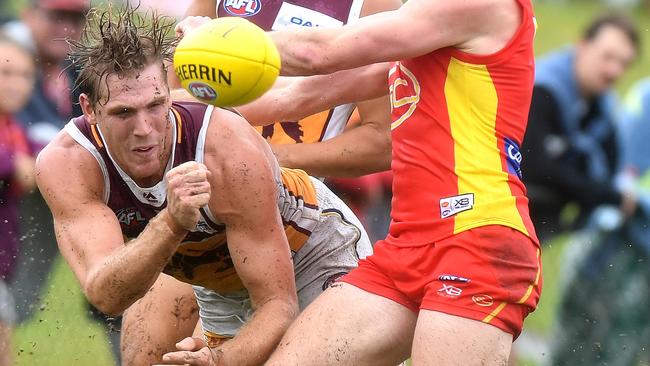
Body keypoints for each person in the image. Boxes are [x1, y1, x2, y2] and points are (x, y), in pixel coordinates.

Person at [174, 0, 542, 364]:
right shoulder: (425, 33)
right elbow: (293, 96)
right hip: (407, 245)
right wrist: (159, 110)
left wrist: (214, 41)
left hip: (478, 237)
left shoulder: (475, 5)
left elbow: (317, 52)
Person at [36, 6, 372, 366]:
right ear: (88, 108)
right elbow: (106, 295)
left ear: (168, 92)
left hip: (311, 252)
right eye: (123, 113)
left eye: (155, 105)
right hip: (214, 279)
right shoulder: (68, 162)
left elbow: (277, 303)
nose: (145, 130)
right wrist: (172, 222)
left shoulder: (224, 147)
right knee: (144, 358)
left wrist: (219, 359)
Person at [522, 13, 639, 241]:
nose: (614, 71)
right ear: (582, 46)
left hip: (541, 224)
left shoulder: (603, 106)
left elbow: (611, 168)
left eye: (624, 63)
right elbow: (535, 168)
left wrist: (603, 193)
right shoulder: (540, 89)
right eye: (607, 57)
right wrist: (612, 197)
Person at [0, 34, 37, 366]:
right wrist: (15, 164)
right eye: (6, 73)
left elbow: (41, 162)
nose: (16, 84)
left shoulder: (13, 128)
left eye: (25, 75)